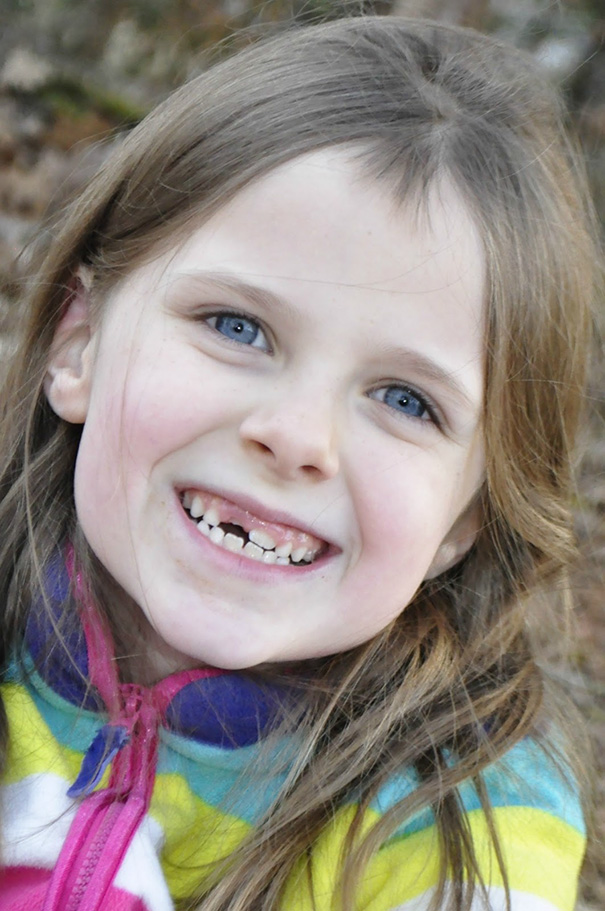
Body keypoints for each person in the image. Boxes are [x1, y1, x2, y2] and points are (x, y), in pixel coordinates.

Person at [0, 13, 599, 911]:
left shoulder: (468, 821)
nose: (297, 436)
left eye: (405, 399)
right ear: (78, 346)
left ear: (467, 517)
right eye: (237, 328)